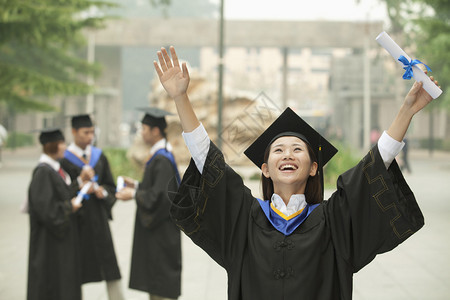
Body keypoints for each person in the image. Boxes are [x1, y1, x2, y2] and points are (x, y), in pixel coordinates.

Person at [154, 46, 439, 300]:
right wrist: (181, 99)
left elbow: (373, 168)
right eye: (278, 150)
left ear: (314, 167)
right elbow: (209, 162)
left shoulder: (334, 223)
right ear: (265, 170)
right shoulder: (243, 221)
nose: (288, 154)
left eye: (297, 150)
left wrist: (407, 110)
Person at [116, 107, 182, 300]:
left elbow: (159, 197)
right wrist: (137, 184)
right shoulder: (160, 155)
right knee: (157, 283)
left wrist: (134, 193)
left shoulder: (162, 159)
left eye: (144, 128)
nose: (142, 132)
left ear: (155, 131)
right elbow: (159, 189)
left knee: (160, 286)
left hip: (161, 235)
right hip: (160, 234)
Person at [60, 115, 124, 300]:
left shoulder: (98, 156)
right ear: (73, 132)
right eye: (85, 132)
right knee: (75, 267)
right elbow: (60, 192)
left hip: (98, 220)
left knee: (109, 265)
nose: (90, 137)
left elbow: (111, 187)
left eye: (92, 132)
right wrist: (79, 181)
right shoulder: (64, 160)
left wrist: (102, 192)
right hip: (76, 221)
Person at [27, 128, 82, 300]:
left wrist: (79, 184)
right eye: (62, 143)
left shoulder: (55, 169)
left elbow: (61, 193)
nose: (65, 147)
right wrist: (69, 207)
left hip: (60, 241)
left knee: (63, 282)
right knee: (52, 284)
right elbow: (46, 210)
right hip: (48, 244)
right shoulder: (43, 172)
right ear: (53, 146)